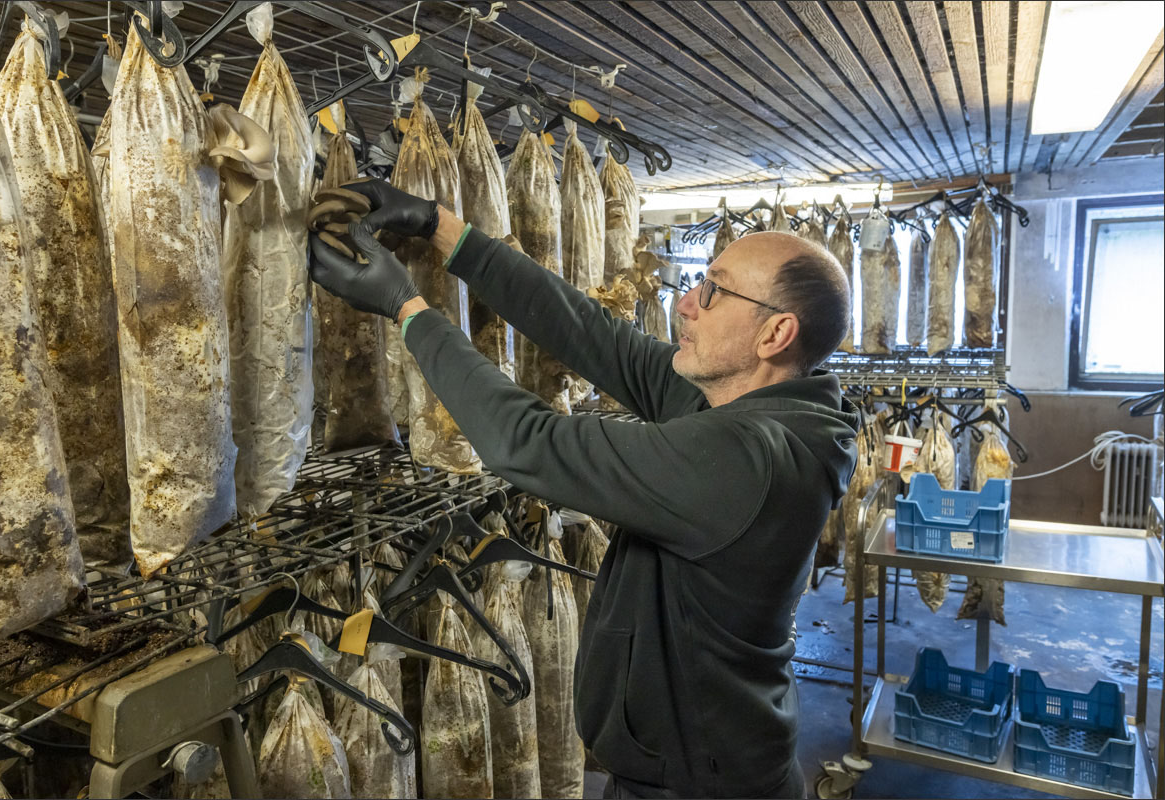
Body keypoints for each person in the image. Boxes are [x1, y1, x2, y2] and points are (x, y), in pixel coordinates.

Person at [310, 180, 859, 799]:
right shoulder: (753, 406)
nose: (685, 303)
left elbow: (528, 442)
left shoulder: (748, 460)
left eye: (712, 290)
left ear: (774, 335)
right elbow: (592, 334)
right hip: (696, 763)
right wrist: (442, 229)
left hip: (697, 783)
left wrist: (407, 310)